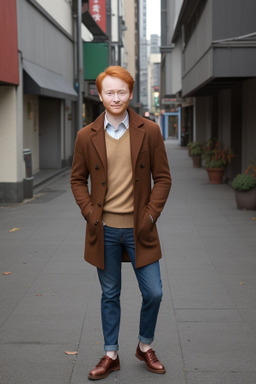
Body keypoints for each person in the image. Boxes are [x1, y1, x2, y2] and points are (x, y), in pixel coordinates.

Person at [70, 66, 172, 380]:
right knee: (110, 293)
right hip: (105, 230)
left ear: (130, 93)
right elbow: (77, 180)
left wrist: (150, 216)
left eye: (122, 91)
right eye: (109, 92)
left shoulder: (149, 130)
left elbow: (163, 179)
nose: (116, 98)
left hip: (140, 227)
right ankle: (110, 353)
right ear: (100, 95)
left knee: (153, 292)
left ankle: (144, 345)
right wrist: (90, 213)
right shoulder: (86, 135)